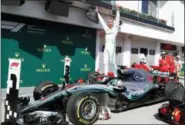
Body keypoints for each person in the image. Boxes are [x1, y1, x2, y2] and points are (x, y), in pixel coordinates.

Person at [96, 4, 120, 77]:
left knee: (112, 62)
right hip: (106, 47)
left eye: (111, 22)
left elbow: (117, 19)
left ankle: (116, 76)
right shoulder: (106, 29)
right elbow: (102, 21)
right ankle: (106, 76)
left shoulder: (115, 29)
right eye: (108, 22)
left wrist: (118, 10)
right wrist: (97, 13)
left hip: (112, 47)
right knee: (105, 62)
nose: (109, 23)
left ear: (113, 23)